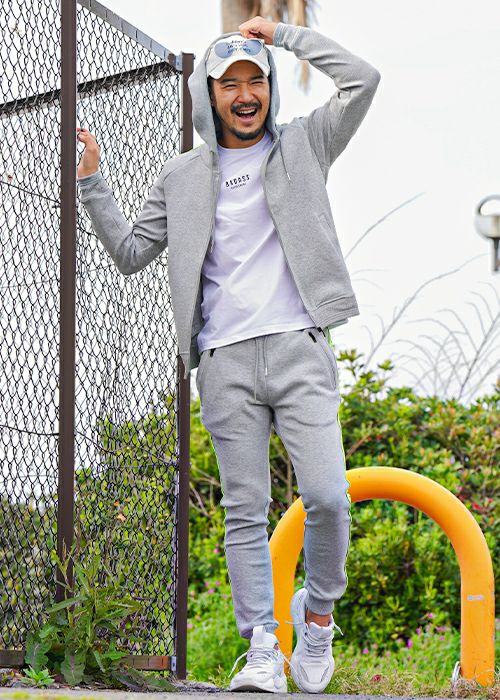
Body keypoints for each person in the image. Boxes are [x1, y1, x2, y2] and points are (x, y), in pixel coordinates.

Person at [76, 15, 381, 694]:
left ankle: (318, 618)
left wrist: (285, 37)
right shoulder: (182, 175)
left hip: (299, 348)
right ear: (208, 95)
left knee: (328, 497)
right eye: (229, 84)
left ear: (269, 86)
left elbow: (363, 80)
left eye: (255, 81)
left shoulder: (305, 143)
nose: (245, 95)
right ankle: (262, 647)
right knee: (246, 511)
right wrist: (93, 185)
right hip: (223, 362)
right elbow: (131, 253)